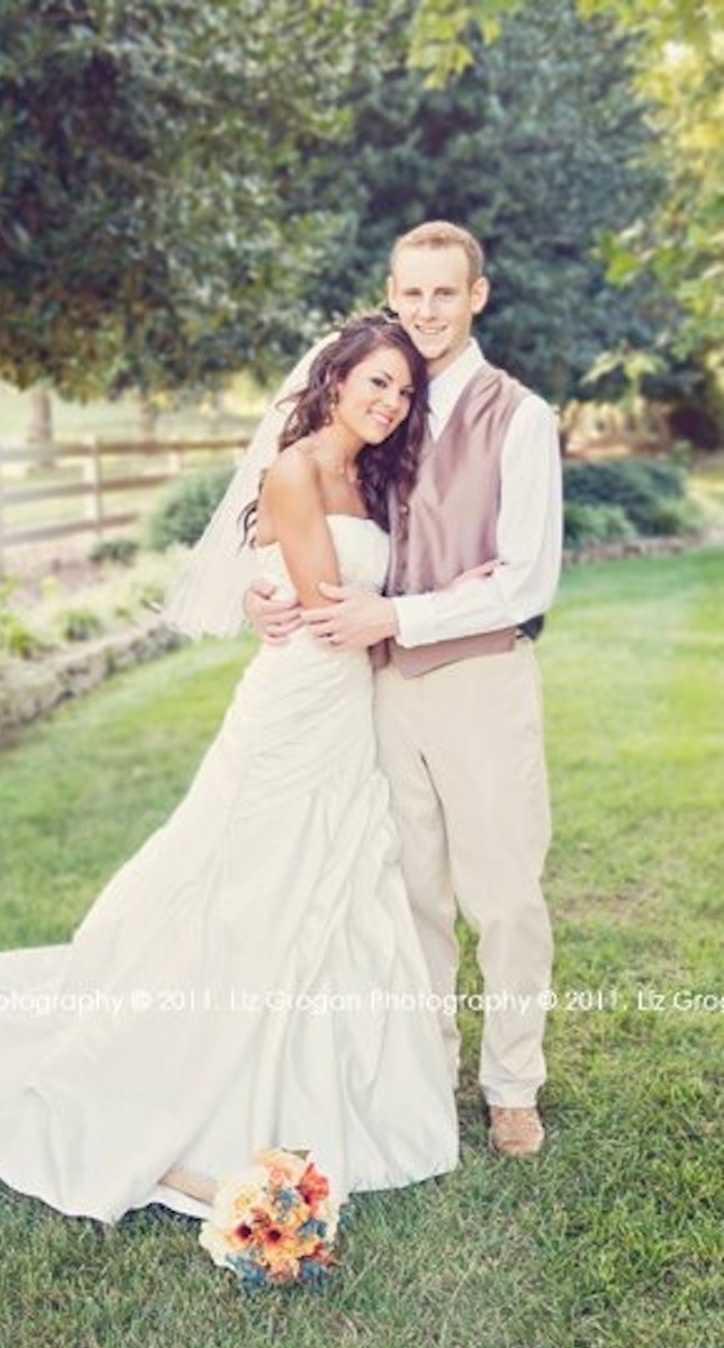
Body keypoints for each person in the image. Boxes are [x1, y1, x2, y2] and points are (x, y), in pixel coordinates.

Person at [0, 314, 460, 1226]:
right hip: (300, 707)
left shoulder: (368, 473)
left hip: (345, 714)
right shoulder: (296, 469)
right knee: (250, 887)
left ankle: (341, 1084)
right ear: (333, 382)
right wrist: (348, 611)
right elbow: (333, 609)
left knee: (333, 884)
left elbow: (334, 598)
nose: (390, 402)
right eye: (377, 382)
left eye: (404, 391)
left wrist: (353, 613)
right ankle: (185, 1086)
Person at [245, 221, 563, 1158]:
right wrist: (265, 596)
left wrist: (401, 618)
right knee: (412, 893)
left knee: (502, 896)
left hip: (480, 682)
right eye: (411, 293)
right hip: (377, 691)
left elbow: (526, 579)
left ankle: (512, 1084)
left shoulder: (521, 416)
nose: (426, 310)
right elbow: (297, 511)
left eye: (445, 292)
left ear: (478, 296)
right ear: (394, 294)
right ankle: (427, 1071)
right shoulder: (380, 408)